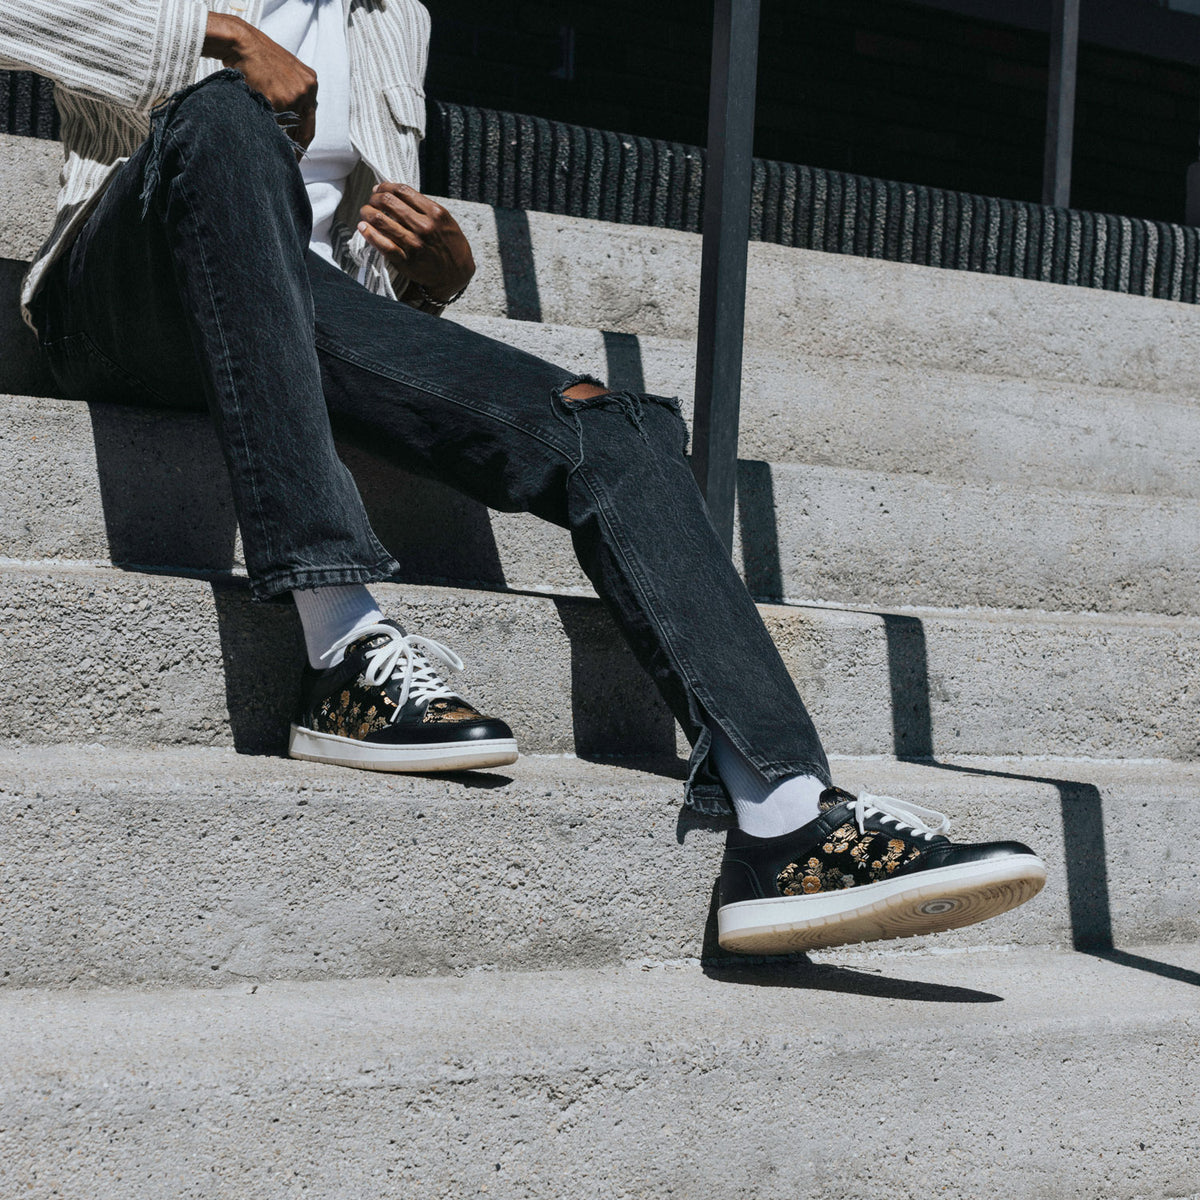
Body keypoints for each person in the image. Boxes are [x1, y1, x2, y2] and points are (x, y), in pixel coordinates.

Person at [0, 0, 1046, 955]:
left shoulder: (391, 17)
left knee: (616, 429)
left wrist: (429, 280)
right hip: (122, 299)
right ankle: (340, 653)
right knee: (226, 119)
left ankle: (787, 820)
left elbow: (345, 278)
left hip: (302, 313)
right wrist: (217, 41)